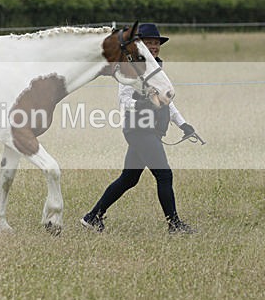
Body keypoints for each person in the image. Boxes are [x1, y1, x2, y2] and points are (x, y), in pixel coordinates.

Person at [82, 23, 197, 234]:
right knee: (164, 175)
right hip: (139, 129)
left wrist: (183, 124)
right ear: (140, 45)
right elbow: (124, 100)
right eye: (150, 43)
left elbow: (166, 101)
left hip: (150, 130)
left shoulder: (156, 67)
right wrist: (145, 104)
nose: (154, 47)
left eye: (156, 43)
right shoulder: (132, 66)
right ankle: (174, 225)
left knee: (129, 178)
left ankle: (92, 217)